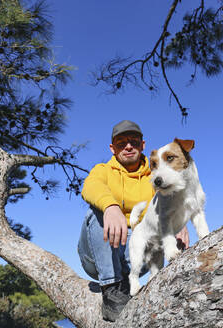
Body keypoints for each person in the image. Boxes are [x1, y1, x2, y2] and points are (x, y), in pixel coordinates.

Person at [77, 120, 189, 322]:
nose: (128, 146)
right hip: (96, 255)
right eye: (121, 143)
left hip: (134, 253)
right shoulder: (102, 170)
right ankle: (111, 290)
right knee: (96, 211)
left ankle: (129, 283)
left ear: (142, 145)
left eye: (133, 141)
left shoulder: (156, 175)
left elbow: (171, 203)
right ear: (112, 148)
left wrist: (180, 224)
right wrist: (111, 207)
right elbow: (90, 186)